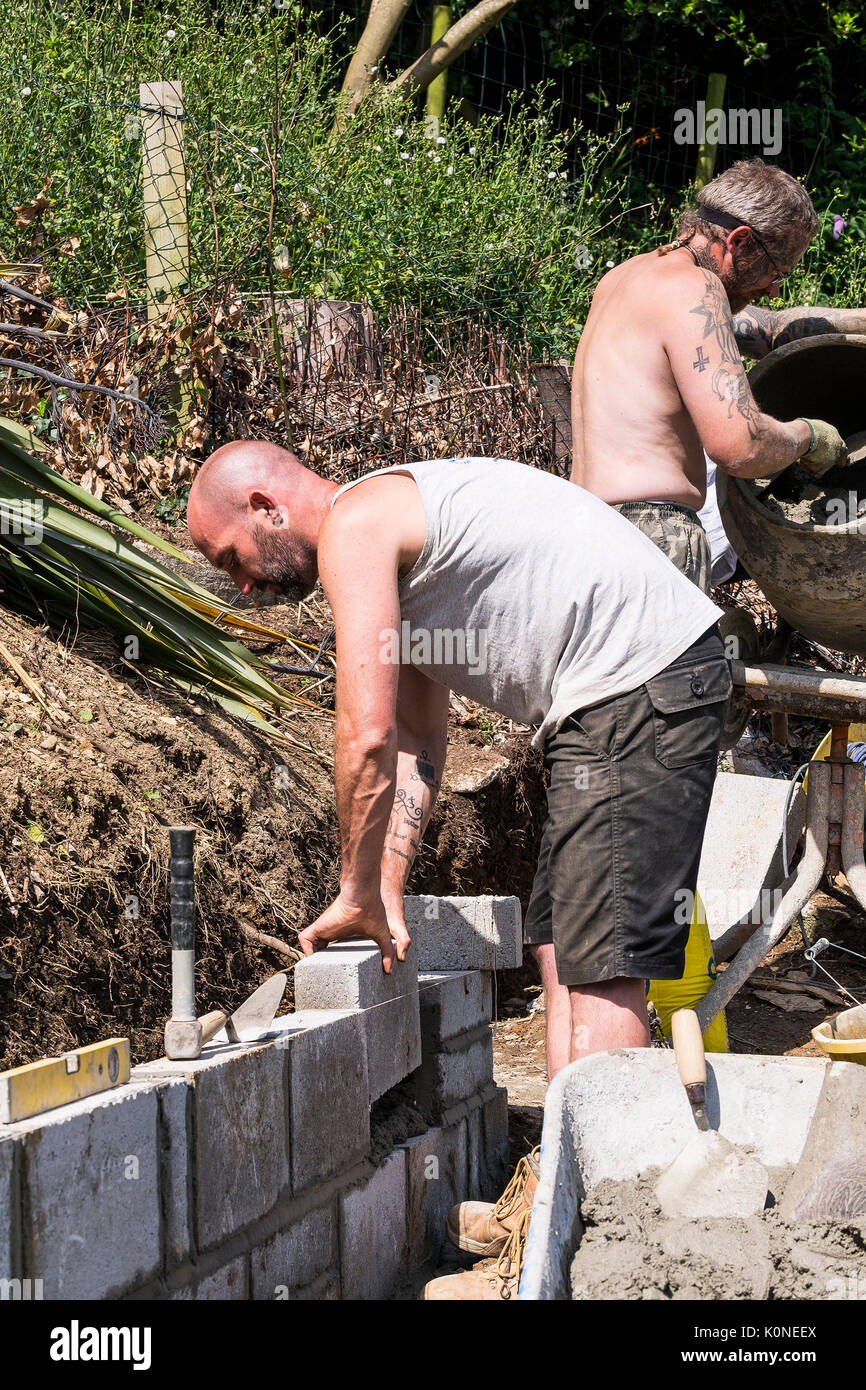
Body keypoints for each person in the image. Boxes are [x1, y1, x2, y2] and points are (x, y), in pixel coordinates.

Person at [526, 158, 858, 1083]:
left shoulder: (629, 279)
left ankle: (565, 1113)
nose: (778, 287)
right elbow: (738, 440)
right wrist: (811, 440)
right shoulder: (694, 292)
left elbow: (759, 328)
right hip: (652, 554)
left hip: (587, 547)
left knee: (588, 839)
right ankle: (614, 1134)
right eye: (776, 265)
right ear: (738, 241)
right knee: (636, 842)